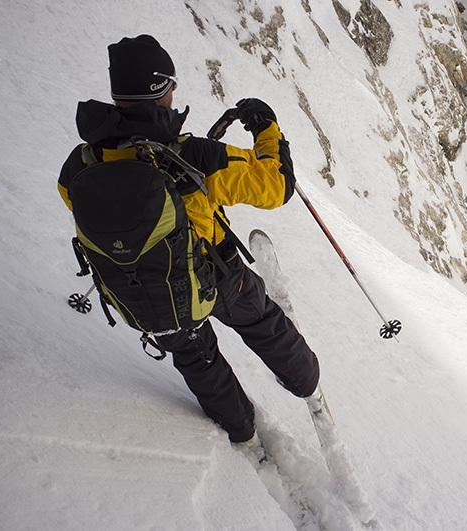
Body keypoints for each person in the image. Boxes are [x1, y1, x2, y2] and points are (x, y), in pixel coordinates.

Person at [58, 35, 320, 446]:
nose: (176, 91)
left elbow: (77, 201)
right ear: (159, 89)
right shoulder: (192, 157)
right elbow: (276, 186)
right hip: (219, 278)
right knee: (261, 321)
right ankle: (307, 381)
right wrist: (267, 129)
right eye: (171, 84)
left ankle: (241, 431)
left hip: (147, 293)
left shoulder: (81, 163)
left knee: (197, 357)